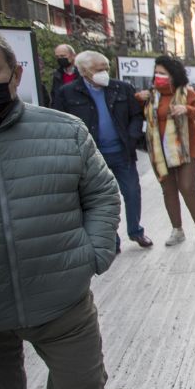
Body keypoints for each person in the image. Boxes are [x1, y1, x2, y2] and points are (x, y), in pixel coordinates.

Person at [0, 25, 122, 389]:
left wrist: (92, 254)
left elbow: (103, 195)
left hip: (61, 300)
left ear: (15, 74)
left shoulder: (63, 130)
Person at [54, 50, 153, 250]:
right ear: (83, 71)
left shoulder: (122, 88)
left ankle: (136, 231)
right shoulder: (67, 93)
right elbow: (60, 123)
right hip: (92, 157)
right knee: (102, 199)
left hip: (122, 152)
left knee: (132, 191)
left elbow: (136, 115)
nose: (104, 73)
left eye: (106, 68)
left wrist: (133, 137)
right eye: (99, 69)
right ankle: (111, 239)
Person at [135, 55, 195, 246]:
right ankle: (177, 230)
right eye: (156, 73)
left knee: (187, 187)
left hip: (186, 150)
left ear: (173, 75)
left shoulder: (187, 93)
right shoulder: (151, 96)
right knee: (168, 190)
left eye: (163, 73)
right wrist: (137, 99)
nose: (158, 76)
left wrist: (187, 109)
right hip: (160, 152)